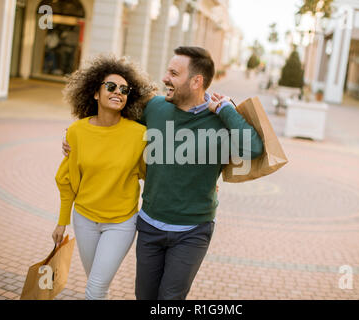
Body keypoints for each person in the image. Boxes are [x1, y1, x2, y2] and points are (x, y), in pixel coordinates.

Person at [63, 46, 264, 300]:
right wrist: (71, 138)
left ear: (196, 81)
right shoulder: (155, 108)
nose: (165, 78)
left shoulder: (219, 120)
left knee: (170, 300)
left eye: (173, 73)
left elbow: (254, 149)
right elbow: (109, 123)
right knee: (144, 297)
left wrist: (226, 109)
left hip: (193, 230)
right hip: (149, 225)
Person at [52, 55, 157, 300]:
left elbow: (150, 173)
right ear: (95, 93)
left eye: (124, 89)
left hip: (121, 223)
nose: (117, 92)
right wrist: (61, 221)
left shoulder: (139, 134)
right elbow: (65, 179)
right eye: (110, 86)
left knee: (95, 287)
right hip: (85, 219)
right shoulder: (77, 131)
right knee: (97, 284)